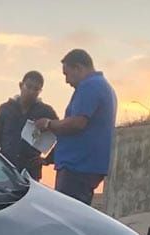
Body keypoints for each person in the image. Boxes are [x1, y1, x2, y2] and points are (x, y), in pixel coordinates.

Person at [34, 49, 117, 205]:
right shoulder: (104, 87)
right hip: (87, 166)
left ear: (78, 68)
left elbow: (77, 123)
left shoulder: (89, 86)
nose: (66, 81)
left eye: (66, 74)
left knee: (65, 216)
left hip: (77, 167)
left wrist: (48, 124)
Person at [0, 71, 58, 180]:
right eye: (28, 87)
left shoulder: (46, 111)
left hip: (31, 172)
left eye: (36, 89)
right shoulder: (6, 108)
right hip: (5, 169)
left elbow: (63, 135)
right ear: (21, 86)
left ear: (40, 91)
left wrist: (48, 159)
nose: (31, 91)